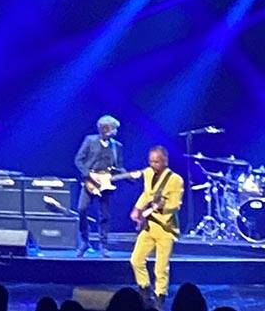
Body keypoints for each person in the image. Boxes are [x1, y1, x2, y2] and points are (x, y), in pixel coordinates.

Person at [130, 146, 184, 307]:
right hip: (149, 226)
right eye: (151, 161)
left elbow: (175, 205)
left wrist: (160, 207)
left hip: (165, 228)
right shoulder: (148, 173)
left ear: (165, 161)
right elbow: (147, 194)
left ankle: (160, 296)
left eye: (156, 162)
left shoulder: (176, 180)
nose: (153, 165)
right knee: (136, 260)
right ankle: (144, 290)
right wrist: (137, 209)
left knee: (161, 268)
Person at [74, 114, 124, 256]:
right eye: (114, 128)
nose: (116, 131)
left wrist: (128, 176)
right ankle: (84, 241)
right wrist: (88, 175)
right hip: (90, 181)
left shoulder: (117, 146)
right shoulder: (90, 140)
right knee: (82, 209)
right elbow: (78, 160)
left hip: (106, 183)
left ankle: (103, 245)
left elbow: (119, 166)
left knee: (104, 214)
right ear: (105, 128)